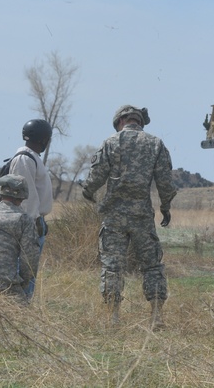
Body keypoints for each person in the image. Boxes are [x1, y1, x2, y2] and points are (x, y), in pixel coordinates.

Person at [82, 105, 177, 329]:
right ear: (140, 121)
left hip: (114, 217)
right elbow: (165, 182)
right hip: (142, 216)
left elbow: (96, 176)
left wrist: (88, 191)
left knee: (112, 266)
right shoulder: (155, 144)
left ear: (120, 121)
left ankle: (113, 317)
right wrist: (165, 207)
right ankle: (157, 318)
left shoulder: (111, 143)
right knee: (152, 265)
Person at [8, 118, 53, 298]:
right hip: (28, 223)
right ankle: (19, 307)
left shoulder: (32, 159)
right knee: (24, 269)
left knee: (29, 269)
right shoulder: (24, 159)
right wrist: (33, 223)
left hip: (34, 221)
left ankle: (23, 305)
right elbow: (25, 196)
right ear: (44, 140)